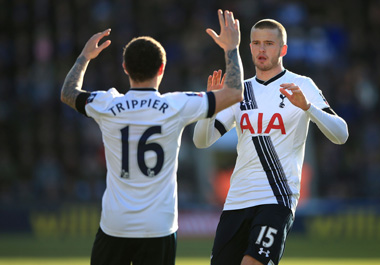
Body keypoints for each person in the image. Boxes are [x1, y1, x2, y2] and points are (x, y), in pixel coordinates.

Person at [60, 9, 243, 265]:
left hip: (116, 224)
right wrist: (231, 48)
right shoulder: (177, 105)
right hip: (159, 226)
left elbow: (68, 93)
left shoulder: (106, 104)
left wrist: (84, 57)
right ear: (162, 68)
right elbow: (235, 93)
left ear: (125, 67)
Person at [193, 18, 349, 265]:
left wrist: (308, 108)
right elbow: (201, 141)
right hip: (237, 199)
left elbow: (341, 134)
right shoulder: (239, 92)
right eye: (256, 43)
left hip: (276, 197)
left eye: (269, 43)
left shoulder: (301, 85)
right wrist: (209, 107)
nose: (261, 49)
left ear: (283, 49)